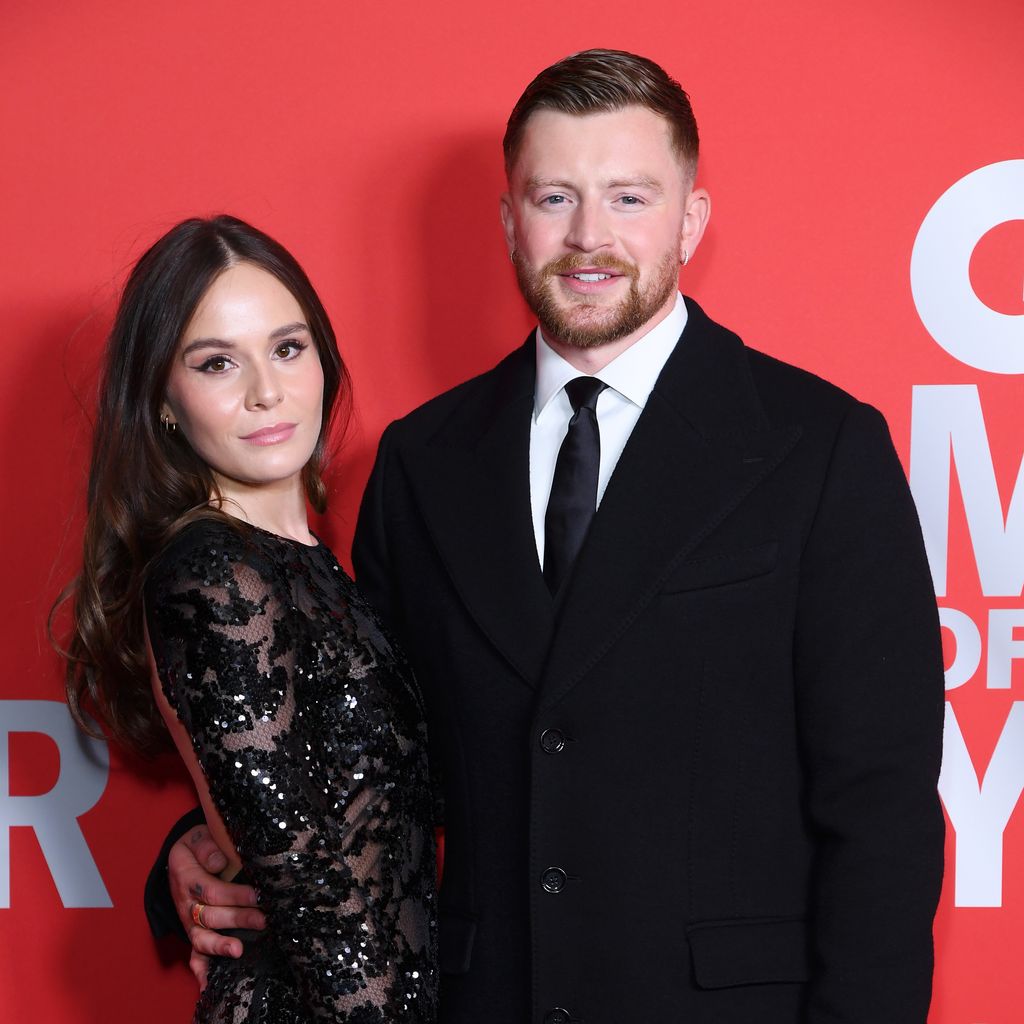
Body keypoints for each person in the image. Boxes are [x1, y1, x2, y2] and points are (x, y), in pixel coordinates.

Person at [158, 52, 945, 1023]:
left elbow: (882, 809)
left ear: (690, 220)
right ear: (507, 220)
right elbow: (374, 746)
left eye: (627, 196)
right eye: (554, 196)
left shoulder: (818, 447)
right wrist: (194, 849)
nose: (588, 237)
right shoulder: (423, 460)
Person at [58, 215, 438, 1022]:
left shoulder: (309, 562)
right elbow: (303, 879)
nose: (266, 390)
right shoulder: (215, 572)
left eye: (288, 348)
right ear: (164, 399)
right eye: (217, 363)